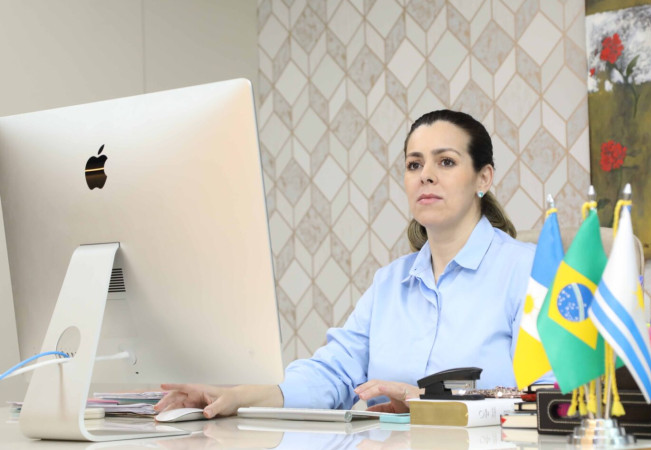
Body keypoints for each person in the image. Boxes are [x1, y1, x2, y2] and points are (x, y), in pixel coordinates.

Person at [154, 110, 536, 418]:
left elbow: (551, 396)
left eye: (446, 162)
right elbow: (333, 373)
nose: (426, 176)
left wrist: (427, 401)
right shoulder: (389, 284)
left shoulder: (528, 270)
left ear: (483, 178)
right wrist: (238, 396)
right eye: (414, 164)